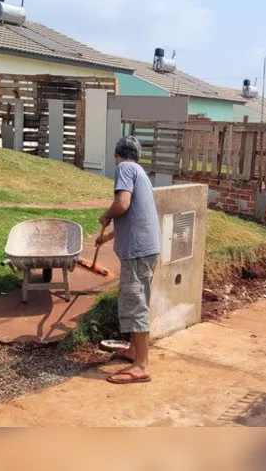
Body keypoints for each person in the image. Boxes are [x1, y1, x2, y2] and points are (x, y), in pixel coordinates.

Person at [96, 135, 161, 385]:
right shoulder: (141, 173)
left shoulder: (124, 168)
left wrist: (105, 215)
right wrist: (107, 237)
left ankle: (141, 365)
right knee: (138, 299)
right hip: (146, 248)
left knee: (136, 303)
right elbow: (134, 216)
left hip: (137, 252)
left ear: (117, 154)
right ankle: (134, 351)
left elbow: (122, 205)